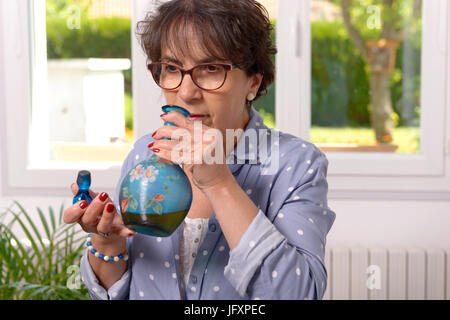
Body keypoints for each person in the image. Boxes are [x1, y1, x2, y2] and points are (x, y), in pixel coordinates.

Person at [64, 0, 336, 300]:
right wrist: (107, 242)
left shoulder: (295, 163)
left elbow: (297, 294)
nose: (186, 92)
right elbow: (122, 292)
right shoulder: (145, 153)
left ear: (253, 82)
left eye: (210, 68)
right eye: (171, 68)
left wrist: (219, 183)